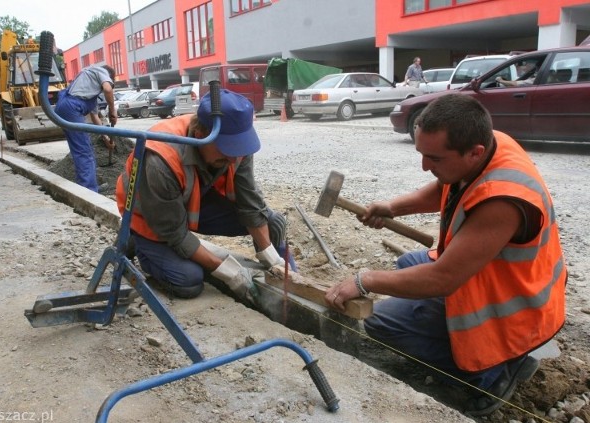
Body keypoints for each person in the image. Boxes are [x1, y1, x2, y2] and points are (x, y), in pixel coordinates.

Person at [325, 94, 566, 416]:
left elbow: (443, 278)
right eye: (422, 154)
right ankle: (488, 356)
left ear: (474, 152)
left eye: (434, 159)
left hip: (517, 306)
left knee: (381, 323)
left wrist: (363, 280)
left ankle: (489, 374)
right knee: (406, 264)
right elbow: (449, 183)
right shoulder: (490, 144)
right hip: (499, 274)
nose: (425, 166)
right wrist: (395, 207)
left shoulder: (503, 203)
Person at [115, 89, 290, 303]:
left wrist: (271, 258)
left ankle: (286, 279)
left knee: (274, 223)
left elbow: (251, 204)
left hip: (192, 201)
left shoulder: (237, 144)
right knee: (188, 280)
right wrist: (228, 272)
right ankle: (140, 246)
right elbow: (176, 235)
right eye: (226, 149)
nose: (233, 157)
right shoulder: (160, 159)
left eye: (237, 148)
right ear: (200, 134)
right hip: (149, 215)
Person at [55, 64, 118, 192]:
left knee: (81, 149)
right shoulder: (101, 71)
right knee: (84, 151)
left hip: (65, 107)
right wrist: (113, 111)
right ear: (109, 77)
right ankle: (89, 190)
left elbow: (95, 117)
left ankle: (86, 186)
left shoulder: (89, 90)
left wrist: (106, 138)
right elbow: (108, 89)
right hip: (71, 107)